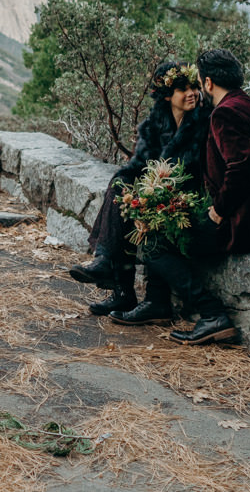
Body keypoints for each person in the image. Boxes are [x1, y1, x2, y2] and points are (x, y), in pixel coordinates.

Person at [109, 48, 250, 344]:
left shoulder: (225, 113)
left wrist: (216, 213)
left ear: (207, 83)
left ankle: (212, 315)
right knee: (163, 222)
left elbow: (242, 169)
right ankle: (157, 303)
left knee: (154, 241)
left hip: (244, 226)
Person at [68, 60, 209, 316]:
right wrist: (135, 190)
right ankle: (110, 269)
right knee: (120, 186)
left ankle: (116, 279)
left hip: (187, 196)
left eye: (193, 87)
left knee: (142, 207)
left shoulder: (202, 122)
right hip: (157, 190)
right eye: (183, 89)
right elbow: (136, 166)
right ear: (167, 96)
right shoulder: (154, 125)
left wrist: (151, 193)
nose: (192, 93)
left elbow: (191, 171)